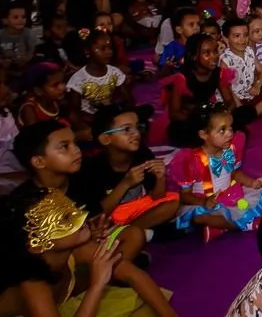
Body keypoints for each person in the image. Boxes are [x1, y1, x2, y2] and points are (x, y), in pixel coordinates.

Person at [2, 123, 175, 317]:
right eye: (66, 218)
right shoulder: (32, 282)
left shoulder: (75, 242)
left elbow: (133, 275)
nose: (80, 215)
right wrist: (97, 285)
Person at [173, 103, 262, 242]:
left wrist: (252, 183)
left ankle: (224, 226)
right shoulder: (193, 160)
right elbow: (184, 196)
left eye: (230, 128)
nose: (229, 133)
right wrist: (204, 201)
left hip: (230, 193)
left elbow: (234, 173)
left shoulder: (231, 149)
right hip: (206, 200)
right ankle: (246, 224)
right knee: (199, 218)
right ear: (204, 134)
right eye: (222, 130)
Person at [78, 105, 180, 232]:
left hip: (135, 210)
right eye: (126, 129)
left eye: (137, 127)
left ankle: (126, 231)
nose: (136, 133)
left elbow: (157, 196)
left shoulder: (142, 153)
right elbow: (97, 214)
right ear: (105, 139)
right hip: (109, 217)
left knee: (173, 202)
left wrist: (160, 177)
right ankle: (134, 232)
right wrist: (125, 184)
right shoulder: (92, 168)